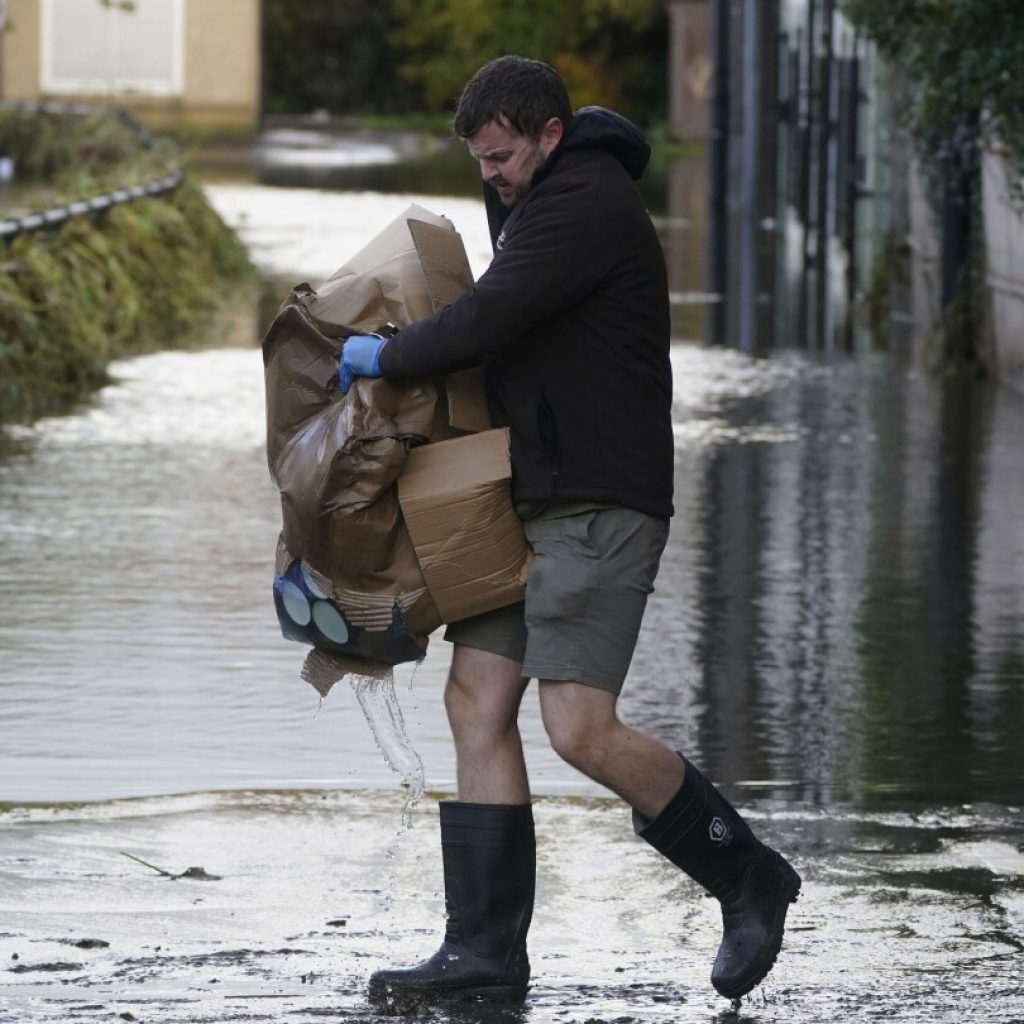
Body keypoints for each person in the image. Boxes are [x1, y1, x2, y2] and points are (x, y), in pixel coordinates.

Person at [339, 55, 801, 1008]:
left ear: (549, 135)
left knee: (578, 727)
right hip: (535, 496)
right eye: (479, 161)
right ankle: (483, 954)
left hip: (602, 500)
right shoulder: (541, 195)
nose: (491, 177)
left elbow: (489, 317)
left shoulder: (583, 201)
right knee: (475, 698)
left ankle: (749, 874)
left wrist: (383, 354)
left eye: (502, 157)